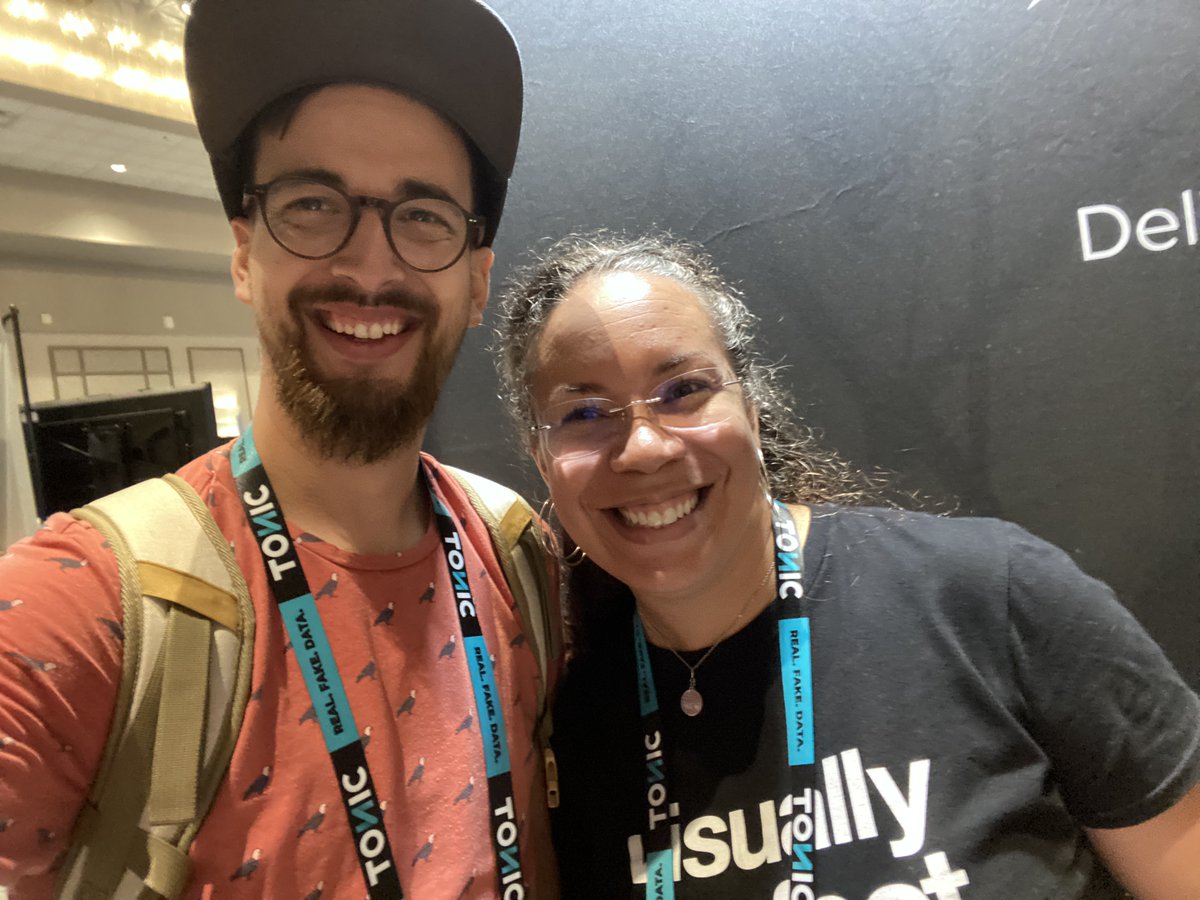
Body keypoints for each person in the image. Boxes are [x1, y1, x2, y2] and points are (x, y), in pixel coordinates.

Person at [0, 1, 560, 897]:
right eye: (312, 204)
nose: (370, 266)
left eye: (422, 215)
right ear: (242, 253)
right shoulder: (82, 605)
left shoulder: (522, 558)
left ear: (477, 280)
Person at [494, 231, 1200, 899]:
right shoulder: (573, 733)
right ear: (540, 458)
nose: (645, 447)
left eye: (684, 391)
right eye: (585, 414)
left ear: (751, 403)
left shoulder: (991, 594)